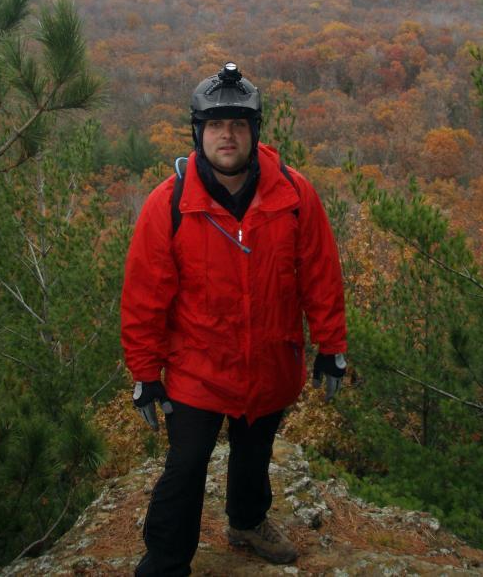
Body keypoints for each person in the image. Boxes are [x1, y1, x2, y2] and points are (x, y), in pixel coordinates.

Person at [121, 61, 347, 577]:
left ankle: (246, 522)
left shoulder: (294, 196)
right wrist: (144, 374)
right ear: (199, 133)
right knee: (186, 466)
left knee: (254, 451)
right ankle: (164, 561)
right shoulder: (170, 204)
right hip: (198, 367)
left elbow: (321, 277)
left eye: (238, 124)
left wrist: (332, 348)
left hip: (271, 358)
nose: (228, 135)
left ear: (255, 131)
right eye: (216, 125)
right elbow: (144, 298)